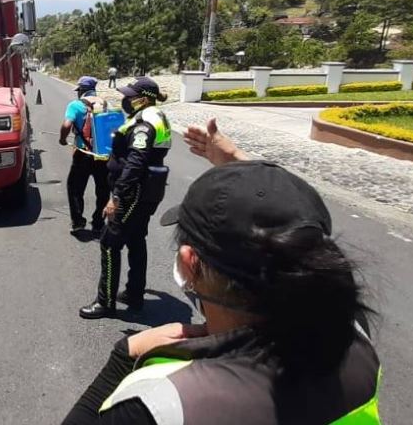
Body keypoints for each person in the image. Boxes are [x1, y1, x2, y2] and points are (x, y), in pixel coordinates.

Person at [64, 121, 381, 424]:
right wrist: (239, 163)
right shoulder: (353, 338)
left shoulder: (162, 404)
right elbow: (302, 231)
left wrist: (124, 356)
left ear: (189, 263)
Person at [80, 77, 170, 319]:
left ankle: (105, 302)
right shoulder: (152, 115)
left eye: (130, 95)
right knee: (136, 240)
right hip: (145, 190)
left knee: (109, 243)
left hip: (133, 192)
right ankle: (134, 293)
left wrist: (117, 197)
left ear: (143, 99)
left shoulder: (144, 124)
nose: (126, 99)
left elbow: (135, 163)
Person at [60, 76, 110, 235]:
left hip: (82, 153)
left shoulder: (75, 105)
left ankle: (78, 222)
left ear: (81, 90)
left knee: (75, 188)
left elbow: (67, 124)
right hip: (102, 154)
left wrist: (62, 139)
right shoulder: (105, 104)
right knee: (103, 189)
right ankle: (98, 222)